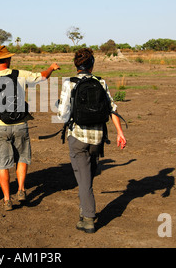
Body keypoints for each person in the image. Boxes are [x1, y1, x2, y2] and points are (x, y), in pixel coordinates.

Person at [0, 46, 60, 211]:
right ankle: (21, 189)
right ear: (8, 60)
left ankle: (7, 199)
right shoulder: (20, 75)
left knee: (2, 163)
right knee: (22, 157)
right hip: (21, 124)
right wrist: (51, 67)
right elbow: (42, 77)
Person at [57, 48, 127, 233]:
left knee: (84, 180)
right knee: (87, 178)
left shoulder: (69, 83)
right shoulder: (100, 82)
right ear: (92, 64)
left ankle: (88, 219)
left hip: (78, 138)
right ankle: (84, 210)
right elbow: (112, 109)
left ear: (76, 64)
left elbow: (62, 115)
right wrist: (120, 132)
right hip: (98, 140)